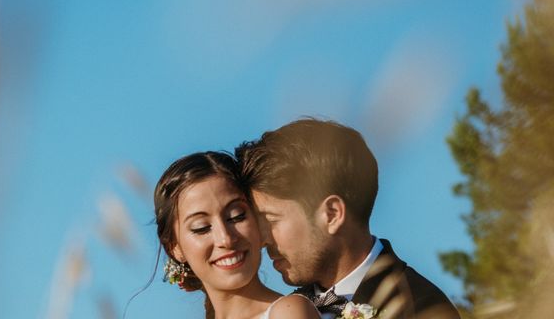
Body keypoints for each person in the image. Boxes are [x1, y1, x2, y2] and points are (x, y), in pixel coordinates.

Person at [236, 119, 461, 319]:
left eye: (272, 220)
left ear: (332, 214)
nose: (262, 240)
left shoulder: (420, 309)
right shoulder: (285, 308)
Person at [154, 151, 321, 319]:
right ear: (174, 247)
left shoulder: (288, 313)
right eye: (202, 228)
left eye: (236, 216)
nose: (225, 239)